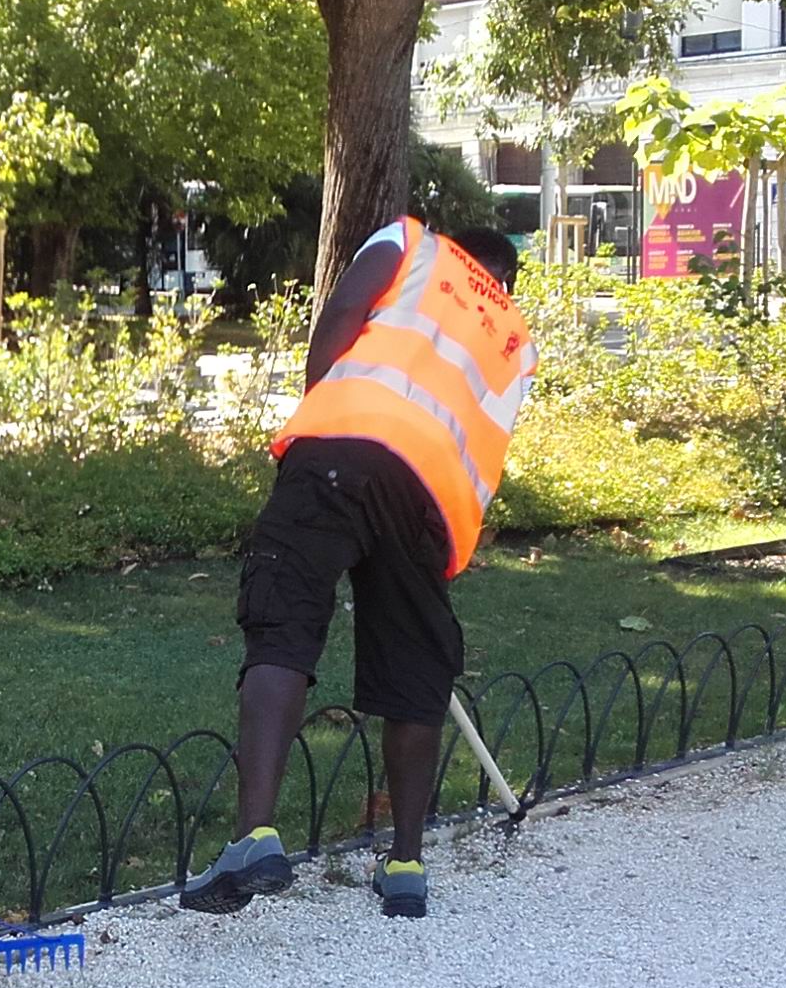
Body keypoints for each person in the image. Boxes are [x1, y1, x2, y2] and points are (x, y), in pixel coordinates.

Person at [180, 219, 536, 921]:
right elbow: (484, 445)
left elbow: (343, 315)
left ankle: (254, 837)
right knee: (413, 665)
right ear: (505, 280)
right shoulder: (515, 339)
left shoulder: (411, 244)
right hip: (430, 497)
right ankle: (405, 866)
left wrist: (318, 416)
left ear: (456, 245)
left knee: (282, 619)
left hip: (341, 446)